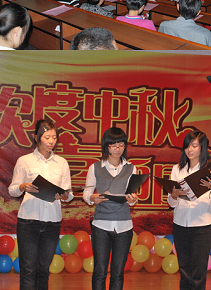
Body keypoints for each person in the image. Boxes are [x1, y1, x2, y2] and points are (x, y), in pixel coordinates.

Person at [8, 119, 73, 290]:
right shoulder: (24, 161)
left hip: (52, 222)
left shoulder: (62, 163)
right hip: (29, 221)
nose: (51, 141)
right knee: (28, 269)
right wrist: (23, 186)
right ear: (36, 137)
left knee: (44, 269)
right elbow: (12, 190)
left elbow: (69, 193)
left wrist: (65, 195)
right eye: (47, 137)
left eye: (54, 137)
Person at [83, 128, 138, 290]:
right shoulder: (95, 167)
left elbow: (131, 197)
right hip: (101, 225)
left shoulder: (131, 168)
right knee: (99, 272)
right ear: (106, 146)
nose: (117, 149)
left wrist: (132, 200)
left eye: (121, 145)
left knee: (118, 273)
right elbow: (86, 193)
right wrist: (92, 198)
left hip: (124, 226)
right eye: (113, 145)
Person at [167, 130, 211, 290]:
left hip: (202, 226)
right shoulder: (177, 169)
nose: (189, 150)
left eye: (194, 146)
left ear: (202, 148)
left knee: (199, 271)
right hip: (180, 225)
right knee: (184, 269)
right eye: (187, 146)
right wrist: (174, 195)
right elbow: (171, 203)